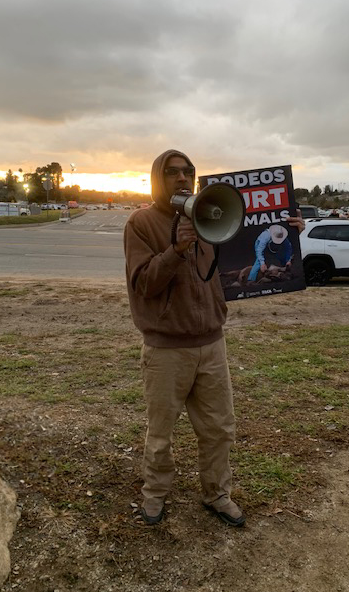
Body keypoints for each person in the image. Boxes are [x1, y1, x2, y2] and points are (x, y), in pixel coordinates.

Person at [124, 149, 305, 527]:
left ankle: (217, 494)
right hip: (166, 350)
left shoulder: (207, 216)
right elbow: (143, 285)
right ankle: (154, 496)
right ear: (158, 177)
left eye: (188, 171)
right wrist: (176, 250)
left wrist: (290, 233)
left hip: (211, 344)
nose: (182, 177)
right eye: (172, 172)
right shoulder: (141, 223)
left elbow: (251, 246)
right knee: (161, 434)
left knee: (220, 429)